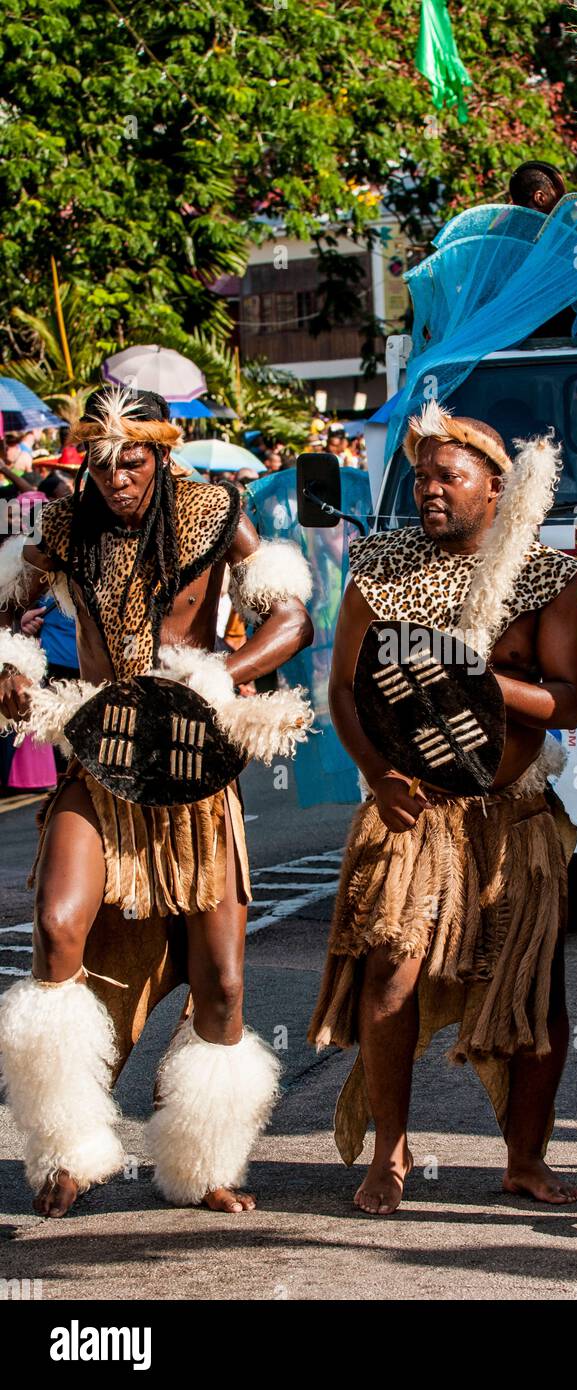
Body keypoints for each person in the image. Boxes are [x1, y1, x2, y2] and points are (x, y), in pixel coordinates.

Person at [0, 386, 315, 1218]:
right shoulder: (65, 527)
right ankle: (68, 1148)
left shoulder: (215, 510)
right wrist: (12, 663)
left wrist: (221, 678)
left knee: (222, 983)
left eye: (131, 460)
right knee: (58, 928)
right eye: (101, 464)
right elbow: (8, 606)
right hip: (98, 757)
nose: (116, 478)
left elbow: (291, 619)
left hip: (190, 767)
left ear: (161, 453)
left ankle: (203, 1162)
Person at [309, 400, 577, 1214]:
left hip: (512, 813)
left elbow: (567, 703)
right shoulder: (380, 566)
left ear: (495, 489)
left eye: (447, 475)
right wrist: (379, 776)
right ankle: (389, 1154)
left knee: (535, 991)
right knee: (391, 976)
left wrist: (468, 676)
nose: (428, 488)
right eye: (420, 475)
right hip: (410, 806)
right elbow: (345, 689)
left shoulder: (545, 576)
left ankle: (524, 1160)